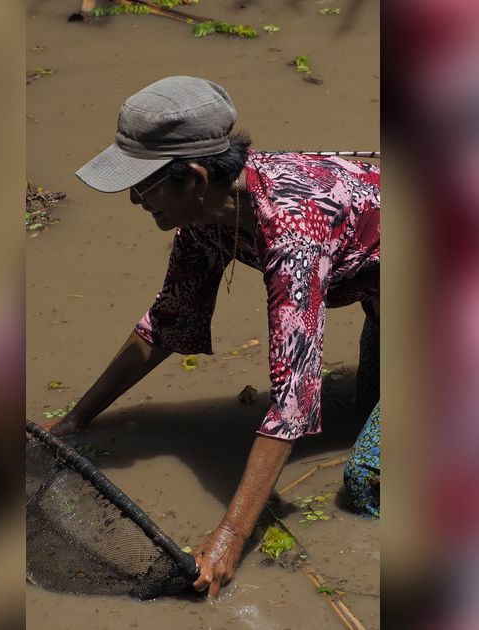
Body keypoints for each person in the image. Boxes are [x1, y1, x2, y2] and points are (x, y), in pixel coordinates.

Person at [43, 76, 380, 599]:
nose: (134, 200)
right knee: (364, 405)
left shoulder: (294, 234)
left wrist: (230, 536)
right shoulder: (206, 215)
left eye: (145, 184)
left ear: (195, 178)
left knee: (366, 482)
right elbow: (170, 319)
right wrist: (77, 418)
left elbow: (293, 402)